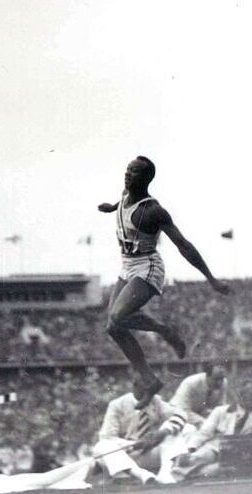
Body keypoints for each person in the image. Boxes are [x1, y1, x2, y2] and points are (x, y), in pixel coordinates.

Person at [98, 156, 230, 409]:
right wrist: (112, 208)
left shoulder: (153, 211)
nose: (128, 175)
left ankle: (163, 330)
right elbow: (123, 203)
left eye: (134, 172)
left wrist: (211, 278)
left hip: (148, 268)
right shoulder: (125, 194)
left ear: (146, 178)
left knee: (117, 317)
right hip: (127, 266)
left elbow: (183, 244)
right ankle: (150, 380)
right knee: (112, 328)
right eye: (127, 170)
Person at [171, 378, 252, 482]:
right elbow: (204, 433)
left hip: (240, 456)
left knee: (218, 470)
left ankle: (185, 475)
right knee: (201, 456)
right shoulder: (220, 411)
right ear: (240, 396)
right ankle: (177, 470)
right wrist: (192, 448)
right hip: (216, 448)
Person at [93, 388, 190, 485]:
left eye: (151, 390)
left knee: (174, 431)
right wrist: (134, 444)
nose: (148, 395)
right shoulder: (117, 405)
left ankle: (165, 473)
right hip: (127, 457)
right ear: (135, 387)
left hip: (150, 454)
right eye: (144, 389)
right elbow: (107, 437)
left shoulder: (155, 400)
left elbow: (181, 414)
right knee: (101, 446)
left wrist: (162, 432)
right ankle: (142, 476)